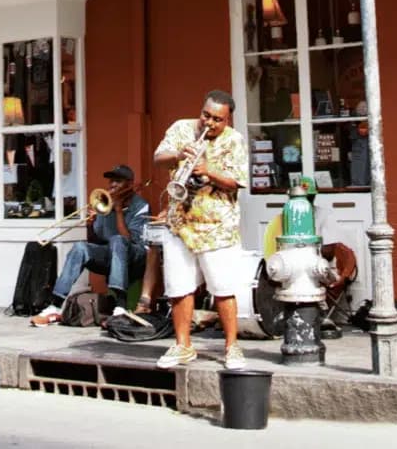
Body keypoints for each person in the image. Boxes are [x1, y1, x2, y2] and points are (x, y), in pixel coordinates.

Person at [153, 90, 251, 370]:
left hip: (216, 226)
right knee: (178, 286)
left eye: (217, 119)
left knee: (222, 288)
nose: (209, 123)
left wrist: (208, 171)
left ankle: (232, 347)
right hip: (180, 223)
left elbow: (237, 181)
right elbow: (158, 159)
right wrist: (177, 155)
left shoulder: (234, 140)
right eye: (205, 115)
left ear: (227, 119)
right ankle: (183, 346)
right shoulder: (181, 128)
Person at [29, 164, 151, 326]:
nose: (112, 185)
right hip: (111, 256)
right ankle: (55, 307)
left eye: (118, 181)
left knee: (117, 240)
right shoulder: (104, 203)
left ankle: (120, 307)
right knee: (80, 247)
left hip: (135, 258)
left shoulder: (141, 205)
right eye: (111, 181)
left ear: (129, 184)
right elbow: (96, 241)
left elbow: (130, 240)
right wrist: (90, 224)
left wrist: (119, 211)